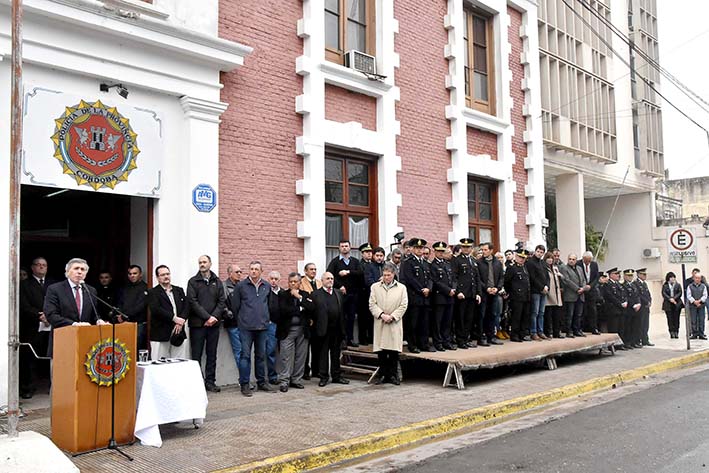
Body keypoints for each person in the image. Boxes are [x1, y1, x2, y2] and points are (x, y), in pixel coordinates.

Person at [45, 258, 109, 356]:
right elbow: (51, 315)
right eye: (76, 268)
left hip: (85, 343)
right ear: (67, 271)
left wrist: (98, 321)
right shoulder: (55, 289)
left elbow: (94, 314)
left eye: (82, 270)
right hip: (62, 341)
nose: (79, 272)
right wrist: (74, 324)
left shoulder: (91, 290)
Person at [231, 262, 273, 396]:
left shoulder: (266, 285)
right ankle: (245, 384)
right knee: (245, 356)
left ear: (261, 271)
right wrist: (242, 320)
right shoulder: (241, 286)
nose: (253, 271)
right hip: (246, 328)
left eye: (256, 269)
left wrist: (266, 319)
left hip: (262, 327)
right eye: (251, 269)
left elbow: (269, 305)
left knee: (261, 356)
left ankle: (261, 382)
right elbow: (235, 306)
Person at [187, 255, 226, 393]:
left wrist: (214, 317)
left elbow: (222, 301)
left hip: (214, 325)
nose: (202, 264)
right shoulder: (193, 282)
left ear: (210, 263)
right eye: (200, 262)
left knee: (212, 354)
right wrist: (207, 317)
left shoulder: (217, 281)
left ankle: (210, 382)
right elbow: (192, 302)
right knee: (196, 355)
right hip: (198, 325)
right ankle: (197, 382)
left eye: (204, 262)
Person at [369, 262, 408, 385]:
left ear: (394, 274)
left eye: (389, 275)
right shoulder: (375, 287)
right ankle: (383, 375)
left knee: (393, 351)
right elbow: (372, 304)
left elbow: (403, 305)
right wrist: (381, 315)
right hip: (380, 321)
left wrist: (393, 316)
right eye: (385, 275)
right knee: (381, 351)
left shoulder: (401, 288)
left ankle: (393, 375)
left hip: (394, 322)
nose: (386, 278)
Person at [277, 272, 315, 392]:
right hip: (287, 330)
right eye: (291, 282)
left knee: (301, 356)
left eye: (295, 282)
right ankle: (284, 381)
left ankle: (296, 380)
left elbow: (311, 307)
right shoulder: (282, 294)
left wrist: (299, 298)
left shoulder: (305, 294)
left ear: (299, 283)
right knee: (286, 357)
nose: (293, 284)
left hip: (302, 330)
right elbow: (283, 311)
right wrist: (300, 308)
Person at [19, 257, 51, 399]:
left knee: (50, 355)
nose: (41, 267)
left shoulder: (53, 284)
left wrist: (51, 316)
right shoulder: (24, 284)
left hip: (51, 324)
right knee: (30, 358)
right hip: (32, 325)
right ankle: (28, 388)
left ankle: (52, 385)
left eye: (44, 265)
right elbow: (23, 305)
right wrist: (40, 316)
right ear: (32, 267)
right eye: (38, 265)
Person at [312, 272, 349, 387]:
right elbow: (313, 312)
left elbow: (342, 311)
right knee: (323, 354)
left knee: (336, 354)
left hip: (337, 329)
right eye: (327, 278)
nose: (330, 280)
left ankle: (336, 376)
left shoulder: (338, 293)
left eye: (332, 278)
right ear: (322, 280)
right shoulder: (316, 294)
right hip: (323, 329)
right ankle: (323, 377)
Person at [326, 240, 364, 348]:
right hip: (340, 295)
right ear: (339, 248)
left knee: (351, 317)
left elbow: (361, 273)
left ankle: (350, 339)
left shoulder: (355, 262)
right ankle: (342, 339)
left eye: (346, 246)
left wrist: (348, 272)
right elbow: (329, 275)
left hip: (353, 294)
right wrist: (339, 286)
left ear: (350, 248)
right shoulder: (335, 262)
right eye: (342, 246)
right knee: (341, 317)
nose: (344, 248)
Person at [148, 265, 189, 360]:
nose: (166, 276)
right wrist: (175, 319)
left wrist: (181, 321)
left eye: (167, 274)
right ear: (157, 278)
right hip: (161, 334)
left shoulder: (179, 290)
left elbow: (186, 307)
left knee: (178, 363)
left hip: (178, 333)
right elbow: (156, 309)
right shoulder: (153, 292)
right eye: (162, 275)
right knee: (159, 364)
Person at [399, 238, 433, 353]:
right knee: (413, 323)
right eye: (417, 248)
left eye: (421, 248)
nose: (419, 250)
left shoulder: (425, 263)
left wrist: (429, 288)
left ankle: (423, 344)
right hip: (414, 296)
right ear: (412, 249)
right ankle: (412, 345)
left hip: (425, 297)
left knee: (424, 322)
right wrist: (421, 289)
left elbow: (430, 278)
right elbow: (409, 279)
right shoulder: (408, 262)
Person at [450, 238, 481, 349]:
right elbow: (454, 277)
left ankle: (466, 338)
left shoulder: (473, 260)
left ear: (471, 248)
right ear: (461, 248)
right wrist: (458, 291)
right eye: (464, 247)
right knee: (461, 318)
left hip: (472, 294)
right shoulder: (457, 260)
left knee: (469, 318)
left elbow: (476, 278)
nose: (466, 249)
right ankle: (460, 340)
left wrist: (478, 293)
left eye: (468, 247)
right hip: (462, 294)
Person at [430, 242, 456, 351]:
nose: (440, 253)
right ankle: (438, 342)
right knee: (438, 322)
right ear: (435, 252)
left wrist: (454, 288)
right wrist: (448, 290)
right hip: (439, 297)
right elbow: (436, 281)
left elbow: (453, 278)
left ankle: (446, 341)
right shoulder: (433, 265)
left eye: (442, 251)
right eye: (438, 251)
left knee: (447, 321)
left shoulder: (447, 263)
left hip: (450, 297)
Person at [478, 242, 504, 345]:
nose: (483, 252)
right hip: (484, 292)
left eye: (485, 250)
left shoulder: (497, 262)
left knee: (493, 314)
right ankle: (482, 336)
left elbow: (501, 277)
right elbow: (478, 278)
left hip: (495, 292)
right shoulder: (479, 262)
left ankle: (491, 336)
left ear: (491, 250)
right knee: (482, 315)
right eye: (482, 250)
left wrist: (497, 288)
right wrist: (486, 288)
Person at [118, 264, 149, 350]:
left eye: (134, 273)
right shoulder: (125, 288)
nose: (132, 276)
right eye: (130, 274)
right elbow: (120, 303)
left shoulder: (145, 288)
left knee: (136, 348)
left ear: (140, 274)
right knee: (124, 349)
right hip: (124, 323)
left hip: (139, 324)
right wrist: (119, 314)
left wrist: (124, 315)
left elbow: (140, 306)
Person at [299, 262, 321, 380]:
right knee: (305, 347)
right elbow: (305, 300)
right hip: (307, 318)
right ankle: (305, 371)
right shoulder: (302, 283)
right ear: (305, 271)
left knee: (316, 346)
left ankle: (316, 370)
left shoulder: (318, 282)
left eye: (315, 269)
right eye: (311, 269)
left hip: (318, 319)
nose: (313, 271)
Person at [504, 249, 530, 342]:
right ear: (516, 256)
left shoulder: (524, 267)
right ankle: (514, 335)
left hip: (525, 295)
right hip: (516, 296)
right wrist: (510, 292)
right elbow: (507, 282)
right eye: (520, 257)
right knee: (516, 316)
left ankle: (522, 334)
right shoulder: (512, 268)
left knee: (525, 316)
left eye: (523, 258)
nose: (521, 259)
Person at [223, 264, 243, 380]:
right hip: (233, 323)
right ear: (230, 273)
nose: (239, 274)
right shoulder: (224, 286)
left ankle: (245, 377)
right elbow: (222, 303)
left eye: (240, 272)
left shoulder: (242, 285)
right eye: (237, 272)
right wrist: (229, 314)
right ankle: (243, 379)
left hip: (244, 323)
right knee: (238, 351)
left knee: (244, 351)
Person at [559, 254, 586, 338]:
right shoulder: (564, 268)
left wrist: (583, 288)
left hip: (580, 294)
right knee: (570, 314)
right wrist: (577, 289)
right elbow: (566, 280)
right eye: (570, 259)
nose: (571, 260)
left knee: (578, 314)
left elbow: (584, 279)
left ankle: (576, 330)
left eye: (573, 259)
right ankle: (569, 331)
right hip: (570, 294)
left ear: (576, 260)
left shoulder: (579, 268)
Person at [525, 244, 549, 341]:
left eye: (541, 252)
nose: (539, 254)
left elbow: (547, 276)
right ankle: (533, 332)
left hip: (544, 291)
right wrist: (541, 287)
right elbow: (532, 277)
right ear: (535, 251)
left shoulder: (543, 263)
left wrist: (547, 286)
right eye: (538, 251)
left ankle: (540, 331)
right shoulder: (530, 262)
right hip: (535, 291)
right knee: (534, 312)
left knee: (541, 312)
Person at [602, 268, 628, 349]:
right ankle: (613, 345)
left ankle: (620, 344)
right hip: (613, 310)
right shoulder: (607, 284)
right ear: (611, 275)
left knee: (621, 328)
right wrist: (620, 304)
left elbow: (624, 294)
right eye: (616, 274)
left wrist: (625, 302)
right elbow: (610, 297)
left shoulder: (618, 284)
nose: (618, 275)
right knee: (614, 328)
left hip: (621, 310)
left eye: (618, 274)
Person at [577, 251, 601, 335]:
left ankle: (594, 328)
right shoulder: (578, 264)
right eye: (587, 260)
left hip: (591, 290)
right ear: (583, 258)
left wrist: (590, 286)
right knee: (581, 310)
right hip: (581, 290)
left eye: (589, 260)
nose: (588, 262)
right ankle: (580, 328)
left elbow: (596, 277)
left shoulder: (594, 264)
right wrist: (583, 287)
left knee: (593, 310)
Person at [542, 252, 563, 339]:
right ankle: (548, 332)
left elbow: (560, 279)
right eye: (548, 258)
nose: (550, 260)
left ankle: (556, 332)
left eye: (551, 258)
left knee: (557, 315)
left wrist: (560, 275)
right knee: (548, 315)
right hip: (549, 294)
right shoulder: (544, 268)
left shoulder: (555, 268)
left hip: (557, 294)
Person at [266, 271, 282, 385]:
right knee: (270, 351)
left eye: (276, 279)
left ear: (279, 280)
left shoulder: (284, 293)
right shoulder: (265, 292)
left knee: (285, 352)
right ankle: (272, 376)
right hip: (270, 325)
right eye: (271, 278)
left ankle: (286, 375)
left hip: (282, 325)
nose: (273, 281)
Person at [357, 243, 374, 345]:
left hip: (372, 294)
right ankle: (362, 338)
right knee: (363, 318)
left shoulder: (372, 264)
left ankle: (371, 337)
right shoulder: (360, 264)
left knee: (371, 317)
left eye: (370, 252)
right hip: (362, 294)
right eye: (366, 252)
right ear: (362, 253)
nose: (369, 254)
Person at [621, 269, 642, 349]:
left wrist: (638, 303)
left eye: (631, 276)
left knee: (635, 326)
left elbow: (637, 295)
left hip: (636, 309)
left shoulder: (633, 285)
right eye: (628, 276)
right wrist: (633, 305)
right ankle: (627, 342)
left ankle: (634, 341)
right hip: (629, 310)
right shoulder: (623, 286)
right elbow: (626, 297)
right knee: (628, 327)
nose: (630, 277)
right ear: (625, 276)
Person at [634, 268, 654, 346]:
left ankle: (645, 340)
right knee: (640, 324)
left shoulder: (644, 283)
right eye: (643, 274)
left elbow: (648, 294)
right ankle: (639, 340)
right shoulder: (636, 283)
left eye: (645, 274)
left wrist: (650, 301)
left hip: (646, 307)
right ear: (639, 274)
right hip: (641, 307)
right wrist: (646, 301)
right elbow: (639, 295)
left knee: (646, 324)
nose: (645, 276)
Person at [661, 272, 683, 339]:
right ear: (668, 279)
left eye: (674, 277)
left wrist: (674, 298)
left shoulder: (678, 285)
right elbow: (663, 293)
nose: (672, 279)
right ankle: (671, 332)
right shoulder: (665, 286)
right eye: (671, 277)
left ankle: (676, 331)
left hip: (676, 303)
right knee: (670, 319)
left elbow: (680, 292)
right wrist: (669, 299)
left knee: (676, 318)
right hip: (668, 304)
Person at [686, 273, 708, 340]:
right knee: (693, 320)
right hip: (693, 306)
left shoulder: (703, 286)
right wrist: (694, 301)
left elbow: (705, 295)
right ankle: (694, 334)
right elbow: (689, 295)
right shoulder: (690, 286)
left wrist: (700, 301)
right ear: (694, 278)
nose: (697, 279)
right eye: (696, 278)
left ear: (700, 279)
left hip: (701, 305)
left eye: (699, 278)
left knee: (701, 320)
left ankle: (701, 333)